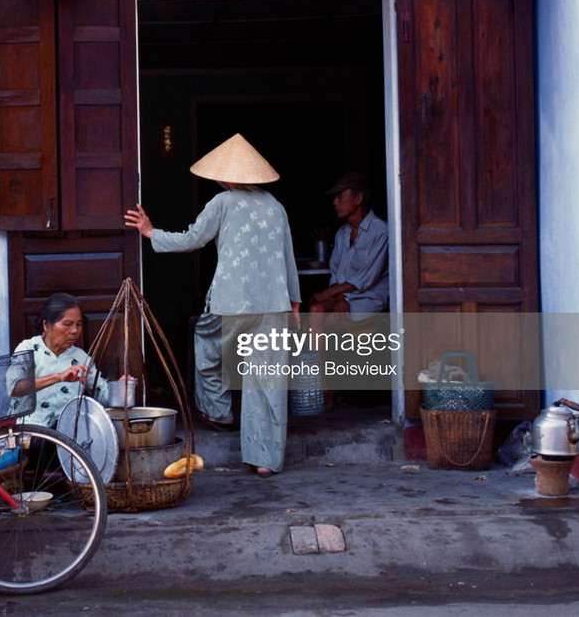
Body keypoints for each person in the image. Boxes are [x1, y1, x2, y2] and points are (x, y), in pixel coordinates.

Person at [125, 133, 300, 477]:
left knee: (206, 344)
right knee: (267, 380)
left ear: (227, 176)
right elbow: (288, 257)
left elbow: (193, 239)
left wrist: (150, 232)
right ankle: (265, 460)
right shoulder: (275, 206)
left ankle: (219, 411)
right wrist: (294, 302)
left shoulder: (223, 202)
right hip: (274, 303)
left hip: (230, 301)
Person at [8, 292, 110, 428]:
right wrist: (59, 377)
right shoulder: (28, 349)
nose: (74, 331)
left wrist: (121, 389)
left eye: (78, 324)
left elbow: (101, 395)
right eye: (67, 324)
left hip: (66, 433)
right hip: (29, 431)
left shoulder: (81, 358)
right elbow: (14, 387)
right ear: (47, 325)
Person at [308, 172, 389, 316]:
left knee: (329, 320)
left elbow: (366, 278)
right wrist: (338, 297)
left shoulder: (381, 231)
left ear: (358, 198)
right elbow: (335, 273)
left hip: (368, 298)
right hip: (342, 295)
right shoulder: (342, 233)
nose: (335, 202)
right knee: (315, 309)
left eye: (340, 196)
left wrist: (327, 294)